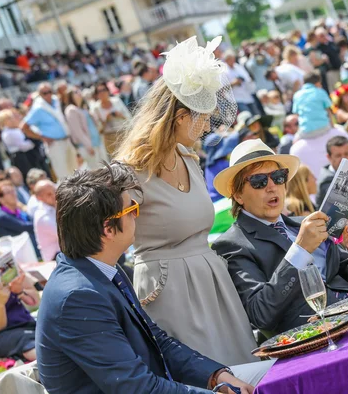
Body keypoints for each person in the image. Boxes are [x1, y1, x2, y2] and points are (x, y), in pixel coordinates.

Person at [36, 162, 255, 394]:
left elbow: (157, 341)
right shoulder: (78, 298)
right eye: (132, 210)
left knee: (274, 377)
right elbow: (137, 388)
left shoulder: (102, 270)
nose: (137, 217)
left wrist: (214, 375)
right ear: (108, 229)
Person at [115, 36, 263, 367]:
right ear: (181, 116)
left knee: (243, 369)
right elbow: (113, 236)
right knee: (203, 375)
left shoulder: (189, 157)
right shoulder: (129, 171)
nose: (210, 124)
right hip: (168, 291)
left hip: (212, 280)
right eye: (204, 116)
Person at [212, 139, 348, 335]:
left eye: (278, 177)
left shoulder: (303, 224)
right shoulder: (232, 244)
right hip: (316, 336)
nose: (272, 187)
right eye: (259, 181)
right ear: (238, 195)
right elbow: (260, 314)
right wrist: (300, 250)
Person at [290, 71, 348, 178]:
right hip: (323, 127)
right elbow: (328, 110)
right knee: (340, 130)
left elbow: (297, 114)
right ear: (318, 83)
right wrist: (333, 127)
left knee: (294, 145)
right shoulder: (320, 92)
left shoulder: (297, 95)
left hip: (305, 132)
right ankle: (345, 131)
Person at [20, 83, 78, 181]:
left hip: (67, 140)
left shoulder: (56, 101)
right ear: (40, 94)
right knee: (64, 175)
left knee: (75, 170)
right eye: (44, 93)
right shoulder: (37, 108)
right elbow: (23, 127)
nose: (48, 95)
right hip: (55, 144)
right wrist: (42, 137)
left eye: (49, 92)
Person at [0, 269, 40, 361]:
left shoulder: (0, 264)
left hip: (26, 324)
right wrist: (0, 303)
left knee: (53, 328)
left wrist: (20, 291)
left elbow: (35, 302)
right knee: (25, 340)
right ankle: (54, 362)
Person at [0, 181, 40, 257]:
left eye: (13, 191)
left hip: (30, 251)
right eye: (8, 192)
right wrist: (42, 222)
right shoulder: (2, 217)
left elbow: (31, 220)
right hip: (20, 256)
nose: (13, 194)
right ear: (1, 199)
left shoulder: (18, 211)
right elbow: (26, 227)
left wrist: (24, 208)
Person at [64, 88, 106, 169]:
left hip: (97, 141)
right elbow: (77, 131)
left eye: (79, 90)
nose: (79, 92)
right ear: (70, 96)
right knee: (96, 171)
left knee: (105, 167)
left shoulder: (83, 107)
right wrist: (88, 146)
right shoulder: (71, 110)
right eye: (75, 92)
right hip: (88, 146)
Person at [91, 80, 131, 157]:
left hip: (123, 133)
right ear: (96, 95)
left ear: (108, 91)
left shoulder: (116, 101)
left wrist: (120, 115)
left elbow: (128, 117)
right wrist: (106, 119)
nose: (102, 93)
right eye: (99, 91)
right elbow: (98, 129)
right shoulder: (95, 108)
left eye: (104, 90)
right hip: (109, 137)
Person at [0, 110, 35, 181]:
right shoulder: (8, 133)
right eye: (9, 118)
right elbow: (23, 146)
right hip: (21, 158)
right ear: (3, 121)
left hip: (26, 155)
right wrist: (34, 141)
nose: (13, 119)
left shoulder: (14, 130)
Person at [33, 180, 59, 262]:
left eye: (54, 191)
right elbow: (67, 234)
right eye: (49, 194)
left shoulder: (55, 205)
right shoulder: (42, 217)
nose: (54, 195)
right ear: (39, 198)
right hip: (55, 258)